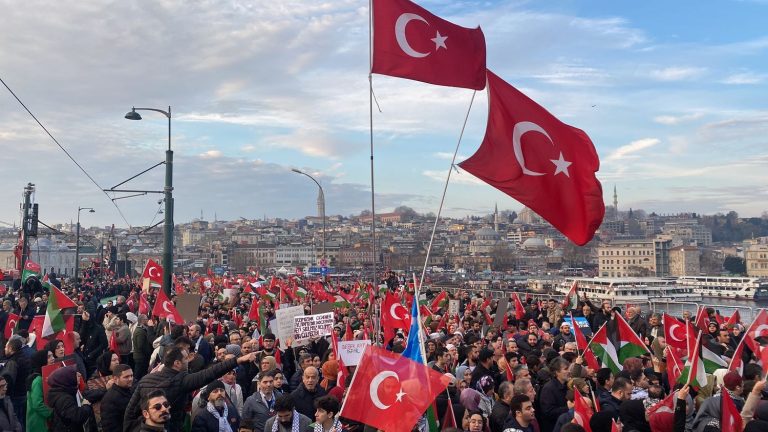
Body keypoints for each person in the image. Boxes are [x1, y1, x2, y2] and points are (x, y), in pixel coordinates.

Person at [123, 346, 258, 432]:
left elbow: (130, 411)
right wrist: (237, 360)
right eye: (186, 358)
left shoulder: (146, 378)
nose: (189, 360)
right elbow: (210, 373)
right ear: (177, 363)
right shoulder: (181, 380)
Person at [47, 365, 96, 432]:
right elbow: (77, 417)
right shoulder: (64, 399)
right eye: (75, 374)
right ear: (68, 378)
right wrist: (86, 406)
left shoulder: (66, 391)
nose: (79, 375)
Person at [3, 337, 31, 429]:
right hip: (24, 394)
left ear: (11, 349)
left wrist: (7, 394)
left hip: (15, 397)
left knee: (16, 422)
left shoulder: (13, 362)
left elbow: (9, 380)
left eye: (6, 347)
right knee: (22, 420)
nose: (4, 349)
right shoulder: (24, 357)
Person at [100, 364, 134, 432]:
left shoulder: (127, 388)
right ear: (115, 379)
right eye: (126, 377)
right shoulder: (110, 399)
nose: (130, 379)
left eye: (131, 375)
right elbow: (109, 427)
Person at [26, 349, 54, 431]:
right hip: (39, 423)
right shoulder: (37, 380)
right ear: (41, 360)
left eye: (52, 356)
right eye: (48, 357)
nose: (52, 358)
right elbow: (37, 404)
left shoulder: (44, 376)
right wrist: (52, 413)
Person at [538, 358, 569, 432]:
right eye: (565, 369)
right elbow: (548, 412)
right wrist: (568, 408)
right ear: (557, 372)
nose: (569, 371)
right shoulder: (548, 389)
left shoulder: (566, 385)